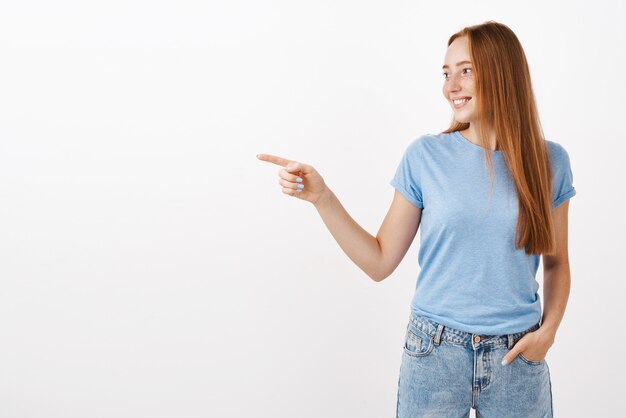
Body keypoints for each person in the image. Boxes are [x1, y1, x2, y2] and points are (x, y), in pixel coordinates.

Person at [257, 20, 575, 418]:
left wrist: (549, 332)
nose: (450, 86)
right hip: (435, 353)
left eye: (465, 70)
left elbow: (557, 263)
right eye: (446, 74)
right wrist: (323, 198)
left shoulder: (551, 163)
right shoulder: (425, 156)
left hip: (518, 356)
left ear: (502, 72)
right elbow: (379, 261)